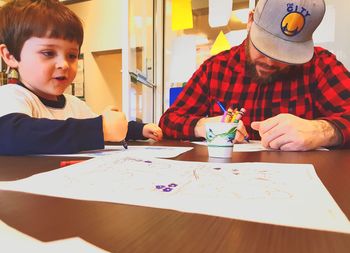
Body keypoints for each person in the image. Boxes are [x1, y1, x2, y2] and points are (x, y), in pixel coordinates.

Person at [159, 0, 350, 151]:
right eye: (264, 47)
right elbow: (168, 121)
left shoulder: (319, 65)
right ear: (250, 21)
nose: (269, 62)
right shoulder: (216, 68)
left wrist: (323, 130)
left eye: (286, 53)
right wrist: (202, 125)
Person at [0, 0, 162, 155]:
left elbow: (103, 127)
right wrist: (100, 128)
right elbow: (11, 135)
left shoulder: (75, 105)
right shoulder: (11, 95)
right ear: (10, 56)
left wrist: (139, 129)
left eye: (72, 55)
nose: (63, 64)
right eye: (48, 53)